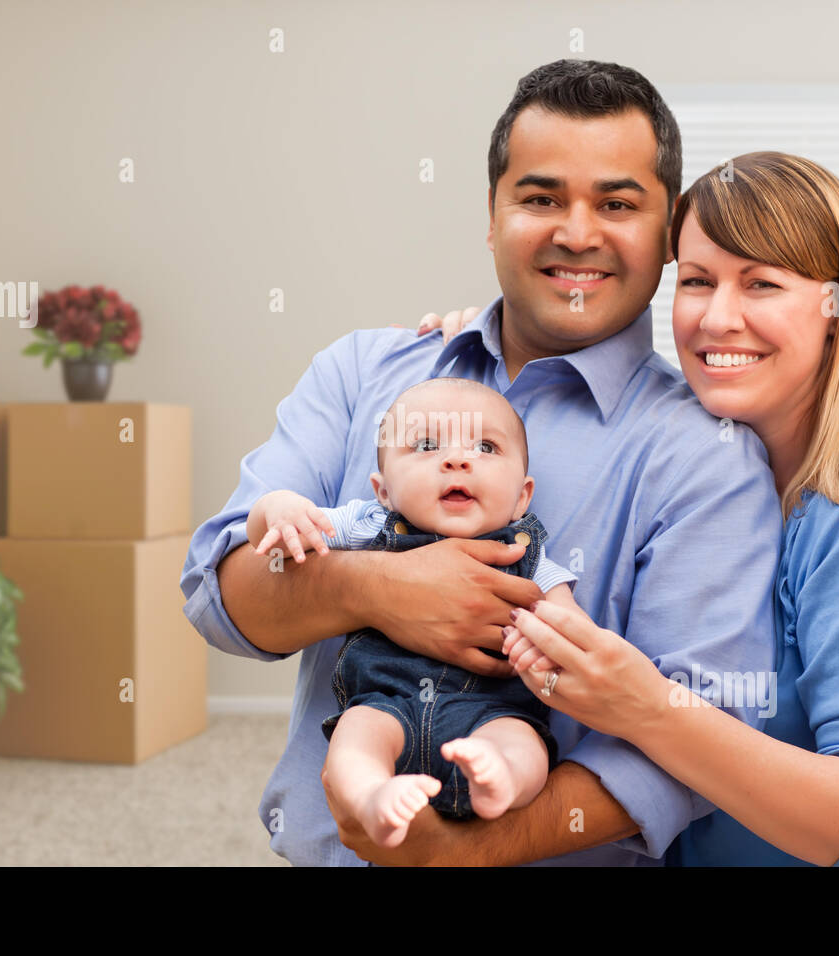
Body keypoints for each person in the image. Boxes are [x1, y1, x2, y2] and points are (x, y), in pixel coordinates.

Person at [179, 59, 783, 866]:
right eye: (540, 198)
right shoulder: (363, 373)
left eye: (617, 202)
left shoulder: (706, 456)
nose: (576, 232)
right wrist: (378, 587)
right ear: (492, 215)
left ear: (668, 230)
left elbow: (698, 740)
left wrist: (462, 852)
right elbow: (221, 597)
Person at [429, 151, 839, 865]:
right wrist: (494, 342)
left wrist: (651, 710)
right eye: (696, 281)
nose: (719, 319)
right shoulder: (723, 470)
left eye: (762, 284)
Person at [245, 377, 582, 848]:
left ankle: (498, 779)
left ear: (522, 496)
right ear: (383, 491)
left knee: (523, 745)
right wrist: (277, 509)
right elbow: (274, 526)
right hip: (384, 704)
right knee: (354, 738)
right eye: (426, 445)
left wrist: (551, 646)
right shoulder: (368, 524)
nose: (458, 460)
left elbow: (573, 634)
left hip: (491, 711)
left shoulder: (529, 555)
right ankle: (371, 797)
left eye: (485, 446)